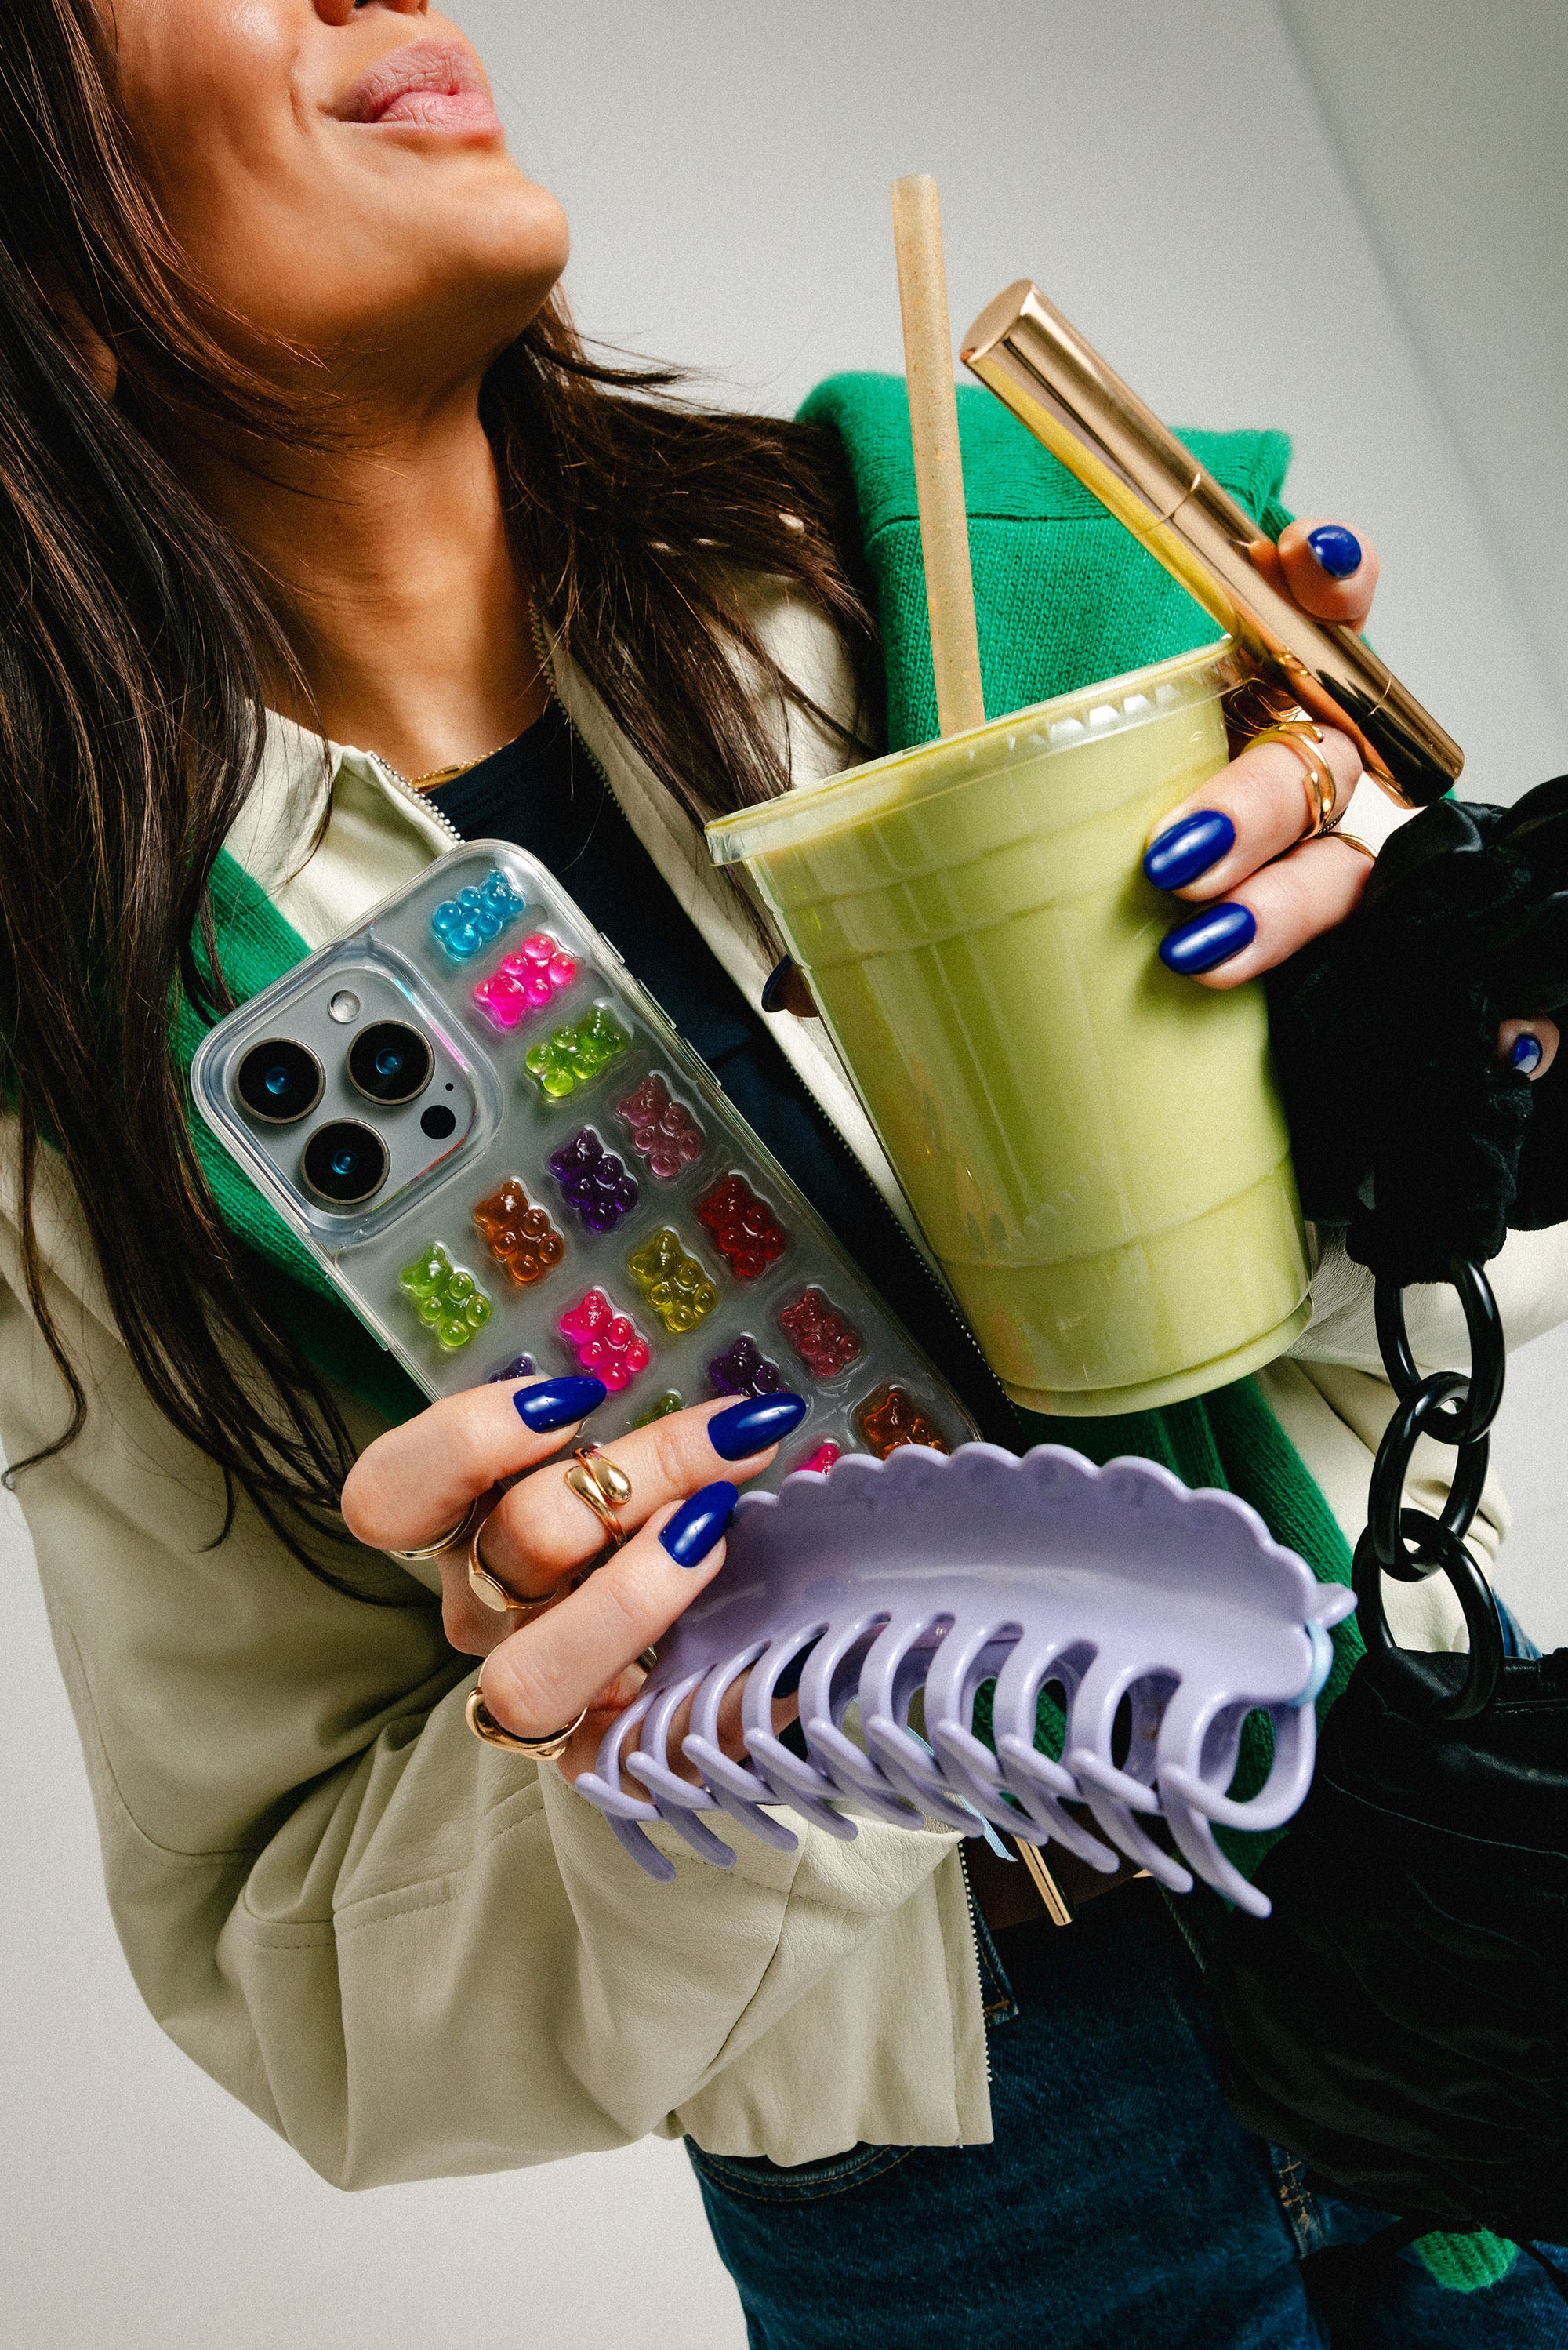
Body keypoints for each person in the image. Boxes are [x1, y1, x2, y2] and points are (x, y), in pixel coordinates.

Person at [2, 3, 1564, 2342]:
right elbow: (297, 1972)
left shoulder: (980, 575)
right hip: (981, 2166)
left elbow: (1420, 1314)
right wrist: (621, 1755)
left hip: (1453, 1844)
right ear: (53, 295)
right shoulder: (98, 1102)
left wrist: (1405, 1047)